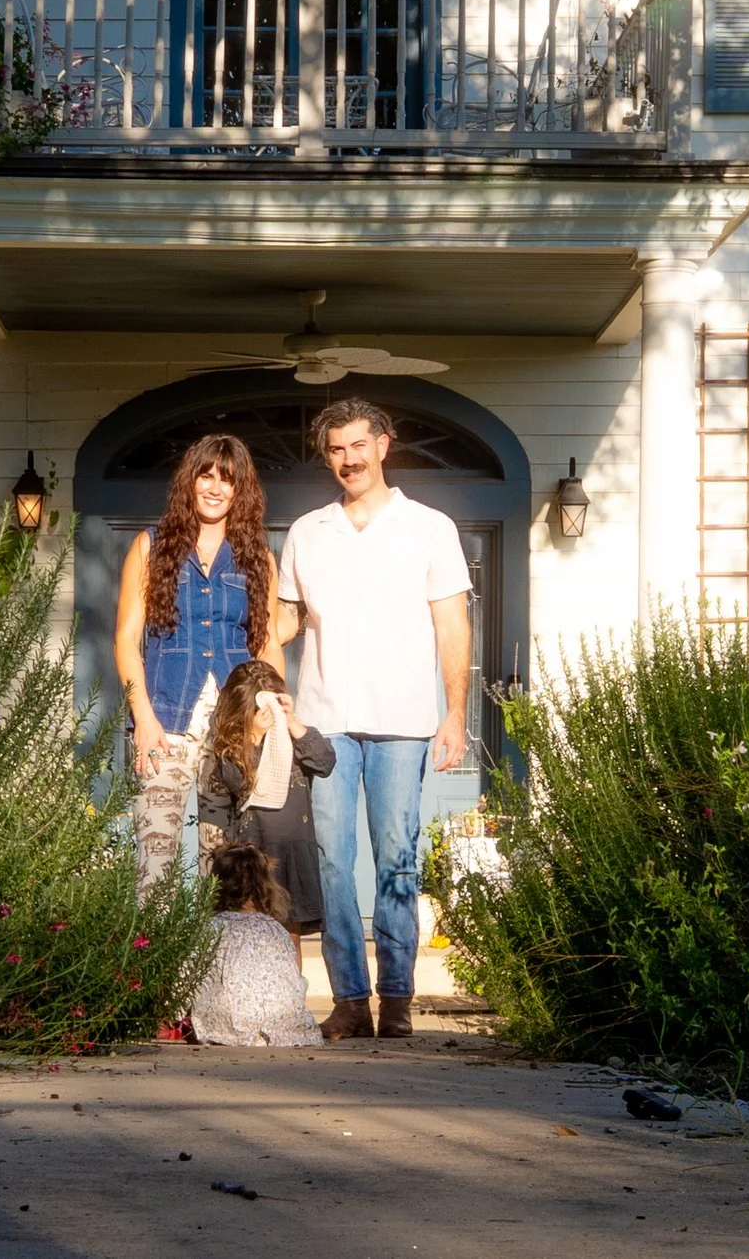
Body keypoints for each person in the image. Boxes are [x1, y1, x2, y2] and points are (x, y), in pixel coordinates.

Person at [275, 397, 473, 1040]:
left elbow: (452, 624)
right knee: (332, 861)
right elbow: (285, 619)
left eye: (359, 445)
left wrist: (455, 715)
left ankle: (396, 1000)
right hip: (324, 720)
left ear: (385, 445)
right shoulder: (308, 531)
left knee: (397, 859)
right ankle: (350, 1003)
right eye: (336, 449)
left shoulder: (430, 527)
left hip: (405, 720)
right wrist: (254, 663)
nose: (348, 459)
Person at [114, 433, 283, 900]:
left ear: (240, 489)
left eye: (226, 479)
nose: (214, 487)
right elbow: (127, 640)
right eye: (205, 475)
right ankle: (154, 970)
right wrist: (143, 719)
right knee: (154, 861)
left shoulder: (257, 559)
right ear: (190, 481)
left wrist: (276, 716)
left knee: (227, 862)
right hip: (165, 723)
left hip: (234, 725)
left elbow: (266, 643)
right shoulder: (152, 548)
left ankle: (221, 969)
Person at [196, 658, 336, 933]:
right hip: (255, 852)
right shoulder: (232, 749)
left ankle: (291, 978)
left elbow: (325, 762)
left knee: (290, 932)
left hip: (294, 852)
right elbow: (240, 784)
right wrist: (254, 737)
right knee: (253, 927)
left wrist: (292, 722)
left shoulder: (293, 739)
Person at [187, 843, 322, 1047]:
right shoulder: (276, 930)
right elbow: (293, 978)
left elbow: (190, 975)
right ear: (266, 887)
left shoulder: (211, 928)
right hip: (283, 1024)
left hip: (230, 1024)